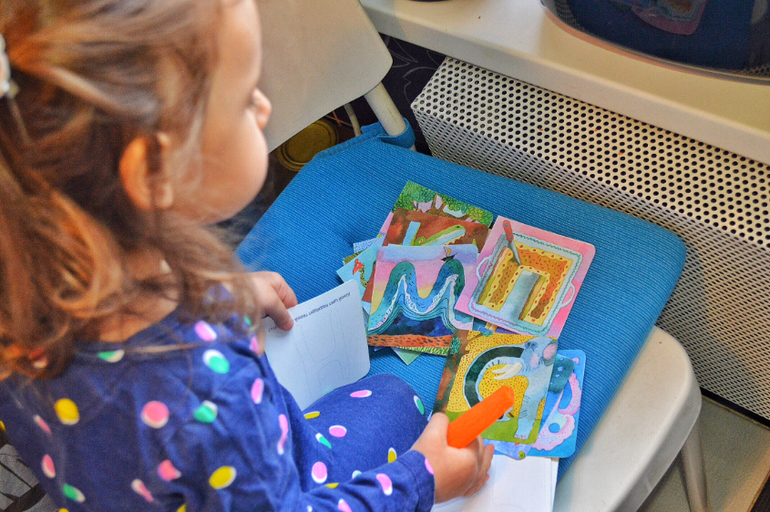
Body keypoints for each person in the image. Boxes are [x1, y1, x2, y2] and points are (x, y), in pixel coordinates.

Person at [0, 0, 494, 511]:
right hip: (274, 486)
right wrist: (423, 478)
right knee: (396, 399)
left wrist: (217, 295)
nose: (262, 109)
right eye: (243, 101)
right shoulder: (208, 393)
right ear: (152, 171)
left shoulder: (26, 273)